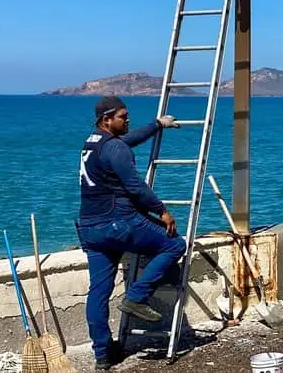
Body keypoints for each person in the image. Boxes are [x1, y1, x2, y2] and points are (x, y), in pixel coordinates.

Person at [76, 95, 184, 370]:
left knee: (98, 291)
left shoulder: (93, 143)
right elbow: (136, 186)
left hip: (90, 228)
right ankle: (136, 297)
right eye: (123, 116)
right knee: (174, 245)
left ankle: (103, 355)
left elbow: (126, 141)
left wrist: (157, 125)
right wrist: (162, 211)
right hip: (118, 223)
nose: (127, 119)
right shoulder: (115, 149)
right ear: (106, 119)